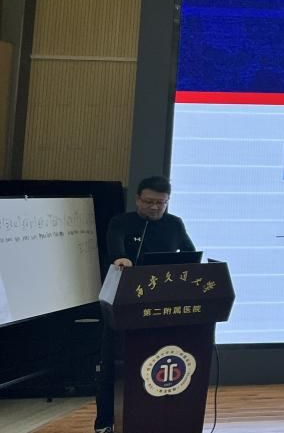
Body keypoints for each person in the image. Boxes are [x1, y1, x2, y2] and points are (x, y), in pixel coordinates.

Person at [94, 176, 196, 433]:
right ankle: (104, 423)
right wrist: (122, 259)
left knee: (156, 363)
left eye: (161, 203)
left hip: (161, 308)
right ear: (138, 199)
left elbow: (191, 256)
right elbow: (116, 250)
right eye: (149, 201)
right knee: (111, 366)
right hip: (123, 306)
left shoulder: (175, 224)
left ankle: (157, 420)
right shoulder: (121, 222)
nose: (154, 207)